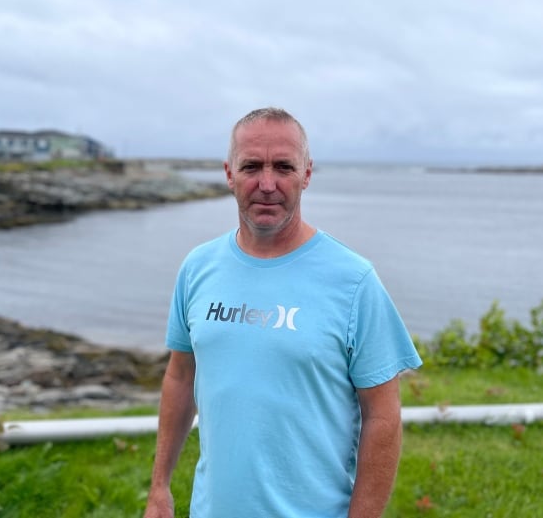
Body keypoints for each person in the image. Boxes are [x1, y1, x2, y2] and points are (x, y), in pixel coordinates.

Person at [144, 107, 423, 518]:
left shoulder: (354, 280)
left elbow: (383, 415)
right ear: (229, 173)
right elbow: (181, 377)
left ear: (307, 174)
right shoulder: (197, 268)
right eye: (252, 166)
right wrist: (159, 488)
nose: (267, 184)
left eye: (284, 167)